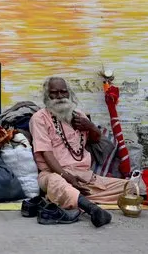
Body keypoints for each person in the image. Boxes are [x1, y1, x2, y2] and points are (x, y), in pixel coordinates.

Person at [28, 76, 125, 227]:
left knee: (131, 187)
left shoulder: (79, 115)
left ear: (69, 93)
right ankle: (93, 209)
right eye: (54, 93)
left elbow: (97, 142)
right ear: (47, 96)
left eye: (63, 92)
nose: (60, 97)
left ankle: (77, 198)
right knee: (56, 183)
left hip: (85, 177)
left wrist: (91, 127)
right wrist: (66, 176)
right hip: (54, 174)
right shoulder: (39, 118)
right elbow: (46, 153)